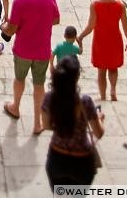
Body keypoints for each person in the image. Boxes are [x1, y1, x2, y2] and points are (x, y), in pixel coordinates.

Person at [2, 0, 60, 135]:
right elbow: (56, 20)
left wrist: (4, 27)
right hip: (42, 50)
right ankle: (37, 123)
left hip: (23, 50)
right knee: (39, 84)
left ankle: (15, 107)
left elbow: (11, 29)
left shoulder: (20, 1)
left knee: (19, 79)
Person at [42, 56, 104, 189]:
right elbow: (99, 133)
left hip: (57, 157)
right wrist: (100, 118)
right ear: (76, 77)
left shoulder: (49, 98)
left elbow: (46, 126)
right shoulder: (85, 102)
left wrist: (62, 122)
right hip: (81, 160)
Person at [78, 0, 127, 102]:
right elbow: (125, 26)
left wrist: (80, 36)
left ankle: (103, 96)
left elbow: (91, 26)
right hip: (115, 39)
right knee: (113, 68)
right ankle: (113, 90)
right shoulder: (120, 6)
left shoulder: (95, 5)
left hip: (100, 41)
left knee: (101, 71)